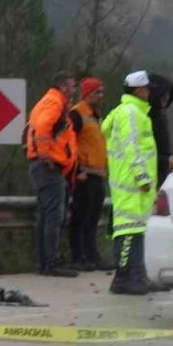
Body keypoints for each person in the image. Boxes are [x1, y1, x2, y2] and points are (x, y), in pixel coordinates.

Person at [103, 71, 159, 295]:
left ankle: (138, 275)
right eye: (146, 89)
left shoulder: (131, 112)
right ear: (138, 90)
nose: (149, 93)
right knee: (128, 230)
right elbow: (131, 145)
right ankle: (123, 278)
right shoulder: (130, 112)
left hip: (134, 185)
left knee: (137, 230)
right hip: (131, 184)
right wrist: (142, 177)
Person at [25, 71, 79, 277]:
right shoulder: (55, 103)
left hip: (42, 166)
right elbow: (42, 129)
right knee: (54, 216)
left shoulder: (46, 101)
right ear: (63, 87)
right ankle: (51, 262)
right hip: (48, 167)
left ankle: (46, 261)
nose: (74, 91)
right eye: (72, 86)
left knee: (46, 215)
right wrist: (46, 156)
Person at [67, 77, 111, 271]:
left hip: (98, 174)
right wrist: (76, 171)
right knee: (80, 217)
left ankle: (92, 255)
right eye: (97, 92)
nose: (101, 95)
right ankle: (79, 257)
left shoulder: (96, 115)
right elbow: (69, 143)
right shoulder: (77, 114)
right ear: (87, 94)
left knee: (93, 218)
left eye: (102, 91)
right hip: (84, 174)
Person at [147, 73, 173, 190]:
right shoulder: (146, 117)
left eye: (169, 94)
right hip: (148, 176)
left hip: (161, 173)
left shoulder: (161, 116)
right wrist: (165, 161)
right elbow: (142, 150)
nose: (167, 97)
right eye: (163, 94)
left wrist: (169, 159)